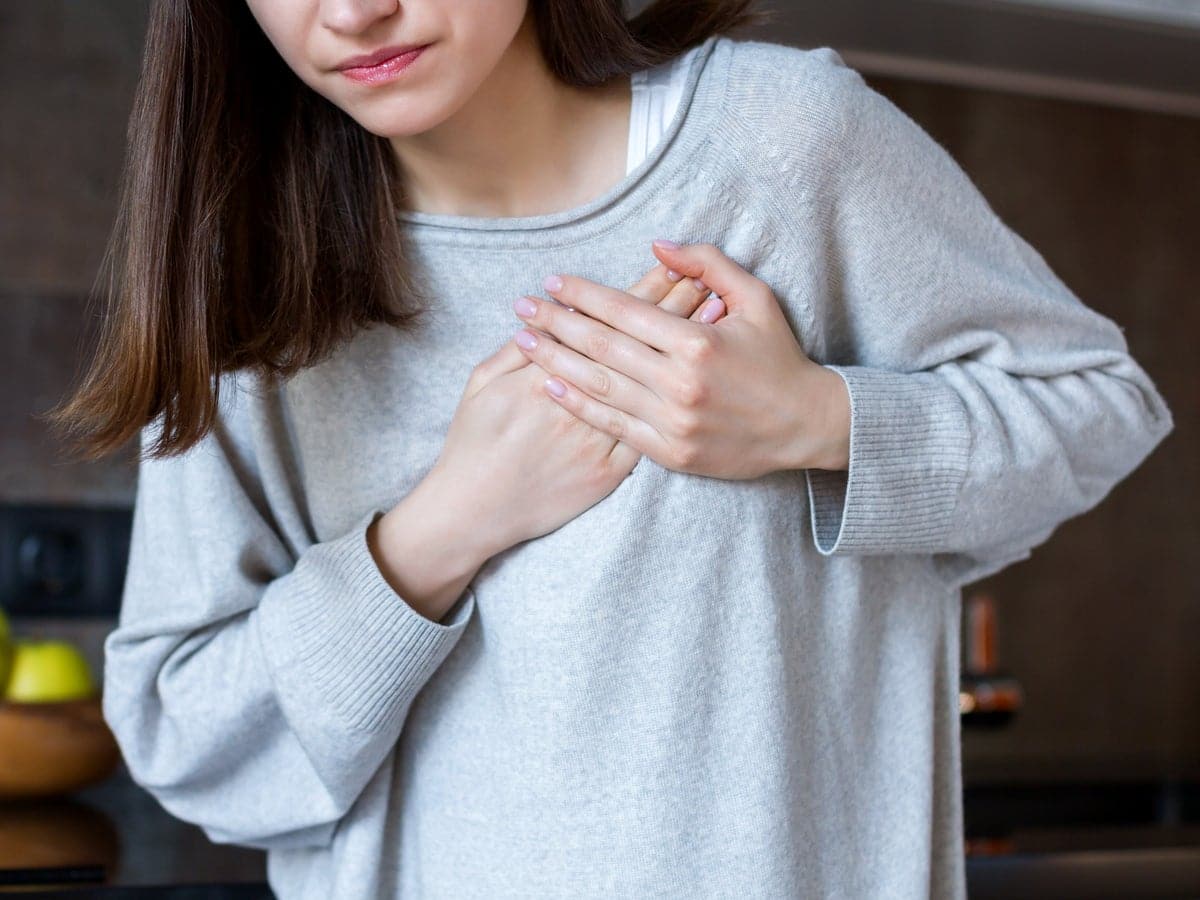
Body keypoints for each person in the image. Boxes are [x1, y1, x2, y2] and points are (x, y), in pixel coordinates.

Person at [44, 0, 1175, 898]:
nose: (352, 11)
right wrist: (443, 528)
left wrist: (814, 420)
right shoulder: (246, 279)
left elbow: (1094, 406)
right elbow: (189, 741)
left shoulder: (781, 147)